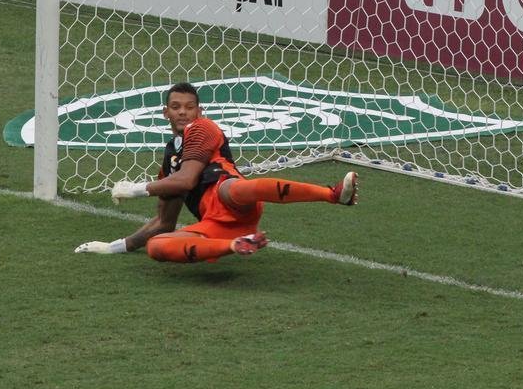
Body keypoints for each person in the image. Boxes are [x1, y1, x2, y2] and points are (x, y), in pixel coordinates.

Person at [74, 81, 358, 263]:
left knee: (236, 188)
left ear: (200, 111)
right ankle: (235, 245)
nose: (183, 113)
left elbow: (186, 180)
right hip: (216, 223)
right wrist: (115, 247)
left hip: (232, 200)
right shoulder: (171, 157)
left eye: (189, 107)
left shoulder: (204, 128)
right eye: (176, 107)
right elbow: (164, 222)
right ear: (165, 113)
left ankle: (332, 195)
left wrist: (136, 188)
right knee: (158, 248)